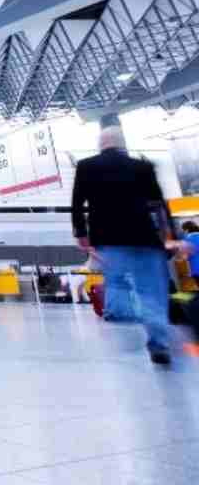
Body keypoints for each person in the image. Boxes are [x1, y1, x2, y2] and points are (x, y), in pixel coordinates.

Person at [71, 126, 175, 365]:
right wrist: (170, 235)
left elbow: (77, 203)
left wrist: (81, 233)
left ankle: (124, 316)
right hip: (145, 238)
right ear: (122, 143)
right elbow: (159, 203)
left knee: (117, 284)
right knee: (151, 292)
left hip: (109, 239)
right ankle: (159, 343)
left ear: (101, 143)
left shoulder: (86, 166)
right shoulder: (142, 166)